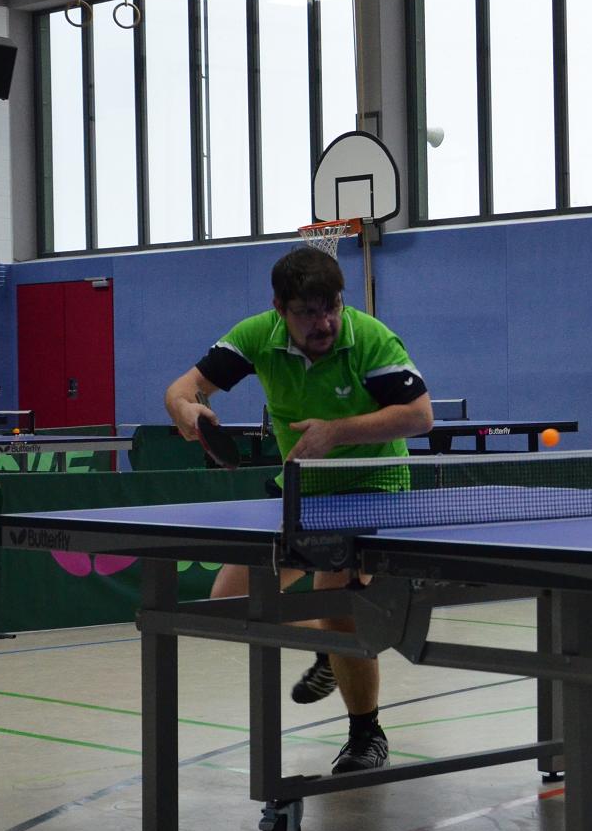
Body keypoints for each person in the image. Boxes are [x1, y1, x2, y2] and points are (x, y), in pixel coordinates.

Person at [163, 246, 433, 773]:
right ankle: (331, 650)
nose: (324, 322)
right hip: (302, 494)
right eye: (308, 312)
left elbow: (420, 416)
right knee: (232, 598)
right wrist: (186, 409)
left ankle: (366, 735)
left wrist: (336, 432)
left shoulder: (370, 340)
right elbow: (183, 387)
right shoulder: (256, 337)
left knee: (335, 604)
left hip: (372, 489)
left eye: (331, 307)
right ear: (280, 309)